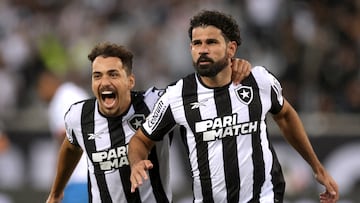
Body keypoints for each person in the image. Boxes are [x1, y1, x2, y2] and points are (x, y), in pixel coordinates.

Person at [128, 10, 339, 203]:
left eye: (211, 42)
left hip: (265, 196)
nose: (202, 50)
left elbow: (285, 115)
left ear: (231, 48)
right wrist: (137, 162)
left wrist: (318, 168)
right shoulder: (176, 95)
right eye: (196, 43)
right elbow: (141, 139)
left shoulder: (258, 80)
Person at [45, 41, 253, 202]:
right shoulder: (78, 116)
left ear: (130, 81)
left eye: (113, 74)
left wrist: (231, 67)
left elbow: (197, 88)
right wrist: (56, 192)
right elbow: (71, 147)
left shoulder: (154, 104)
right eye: (97, 76)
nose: (104, 82)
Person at [37, 70, 89, 203]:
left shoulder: (63, 97)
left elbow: (66, 136)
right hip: (89, 174)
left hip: (78, 175)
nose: (40, 93)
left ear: (49, 83)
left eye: (41, 87)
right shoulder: (71, 93)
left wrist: (57, 181)